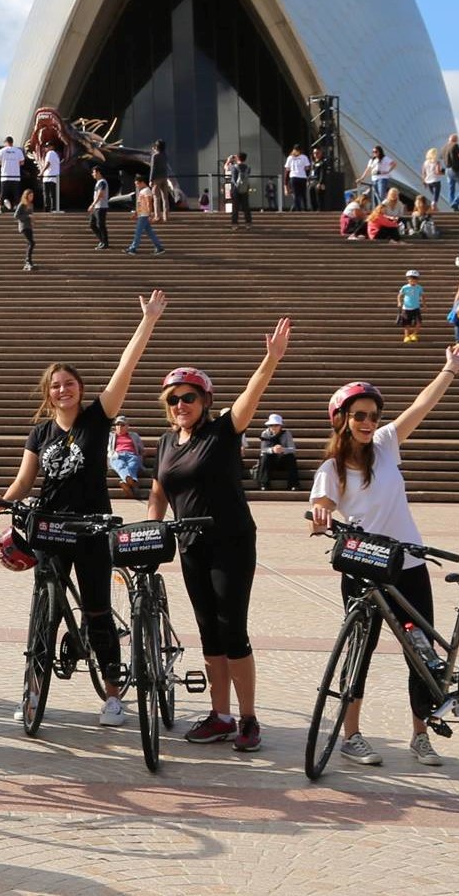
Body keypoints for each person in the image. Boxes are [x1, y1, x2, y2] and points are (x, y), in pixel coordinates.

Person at [0, 289, 167, 727]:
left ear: (80, 388)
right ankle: (32, 692)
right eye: (55, 385)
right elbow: (26, 481)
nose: (63, 390)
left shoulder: (97, 419)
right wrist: (4, 500)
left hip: (91, 528)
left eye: (69, 383)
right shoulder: (40, 432)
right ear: (48, 393)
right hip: (49, 528)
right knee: (43, 614)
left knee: (99, 612)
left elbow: (126, 368)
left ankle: (112, 696)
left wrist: (148, 321)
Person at [310, 346, 459, 768]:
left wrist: (448, 371)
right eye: (359, 415)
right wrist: (321, 514)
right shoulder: (331, 467)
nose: (367, 423)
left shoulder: (385, 445)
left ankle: (421, 737)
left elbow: (420, 406)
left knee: (419, 653)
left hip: (410, 565)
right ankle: (352, 736)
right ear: (342, 419)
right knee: (358, 652)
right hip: (364, 568)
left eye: (372, 416)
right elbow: (322, 505)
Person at [146, 318, 291, 755]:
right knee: (208, 632)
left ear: (205, 400)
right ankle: (220, 715)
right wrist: (153, 525)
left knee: (233, 631)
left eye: (188, 397)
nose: (180, 405)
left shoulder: (223, 431)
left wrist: (270, 359)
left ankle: (248, 719)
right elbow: (158, 491)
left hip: (230, 543)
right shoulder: (168, 442)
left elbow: (253, 395)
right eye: (173, 399)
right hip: (190, 545)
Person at [255, 414, 299, 490]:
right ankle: (264, 484)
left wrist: (283, 449)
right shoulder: (265, 434)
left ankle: (293, 484)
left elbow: (292, 449)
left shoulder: (286, 434)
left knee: (291, 457)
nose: (274, 427)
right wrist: (272, 450)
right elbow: (263, 449)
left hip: (282, 460)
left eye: (276, 425)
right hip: (270, 461)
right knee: (264, 457)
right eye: (271, 425)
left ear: (280, 426)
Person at [125, 177, 166, 256]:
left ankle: (133, 248)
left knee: (138, 232)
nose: (137, 186)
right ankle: (159, 247)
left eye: (137, 184)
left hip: (144, 215)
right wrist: (136, 213)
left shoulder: (146, 190)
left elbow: (148, 202)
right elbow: (140, 204)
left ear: (142, 182)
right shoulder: (142, 191)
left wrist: (150, 213)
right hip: (142, 214)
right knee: (150, 232)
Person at [107, 416, 144, 500]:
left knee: (133, 463)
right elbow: (107, 448)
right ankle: (133, 482)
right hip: (117, 455)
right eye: (117, 424)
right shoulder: (110, 435)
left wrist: (140, 456)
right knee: (120, 464)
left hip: (132, 455)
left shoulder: (134, 435)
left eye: (122, 425)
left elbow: (141, 449)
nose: (119, 427)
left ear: (127, 426)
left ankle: (126, 482)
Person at [0, 137, 26, 211]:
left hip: (5, 176)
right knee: (16, 194)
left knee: (3, 194)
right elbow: (22, 162)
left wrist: (3, 163)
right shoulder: (18, 151)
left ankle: (1, 208)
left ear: (6, 142)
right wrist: (15, 163)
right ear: (12, 142)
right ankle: (17, 208)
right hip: (15, 176)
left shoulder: (2, 151)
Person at [440, 134, 459, 211]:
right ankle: (455, 203)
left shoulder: (443, 148)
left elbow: (441, 157)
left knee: (451, 189)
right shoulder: (455, 145)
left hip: (447, 170)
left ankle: (452, 206)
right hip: (455, 169)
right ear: (455, 139)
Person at [226, 152, 254, 228]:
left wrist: (228, 160)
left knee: (235, 207)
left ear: (238, 158)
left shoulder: (234, 167)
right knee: (246, 207)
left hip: (235, 189)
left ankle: (235, 224)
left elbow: (226, 167)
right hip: (244, 188)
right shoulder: (248, 167)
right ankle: (248, 223)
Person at [398, 270, 425, 344]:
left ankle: (414, 334)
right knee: (407, 323)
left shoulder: (419, 287)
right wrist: (399, 302)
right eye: (410, 279)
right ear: (408, 279)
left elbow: (422, 296)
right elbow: (399, 296)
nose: (412, 280)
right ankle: (406, 336)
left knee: (419, 322)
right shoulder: (405, 287)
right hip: (406, 308)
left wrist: (424, 304)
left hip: (416, 307)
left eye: (415, 279)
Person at [87, 168, 111, 249]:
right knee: (92, 224)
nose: (92, 174)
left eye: (93, 172)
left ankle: (105, 243)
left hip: (101, 206)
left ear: (98, 172)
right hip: (96, 207)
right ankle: (102, 240)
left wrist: (93, 204)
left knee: (101, 225)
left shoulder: (102, 182)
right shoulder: (98, 182)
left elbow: (100, 194)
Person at [283, 145, 312, 212]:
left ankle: (299, 209)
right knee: (301, 194)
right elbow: (307, 168)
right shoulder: (303, 157)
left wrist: (286, 183)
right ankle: (303, 208)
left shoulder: (290, 158)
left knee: (297, 194)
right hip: (301, 177)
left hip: (295, 177)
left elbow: (287, 170)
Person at [14, 189, 36, 270]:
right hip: (23, 226)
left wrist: (32, 220)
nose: (32, 197)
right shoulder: (22, 204)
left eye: (32, 196)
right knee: (32, 243)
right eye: (30, 196)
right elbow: (16, 215)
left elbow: (31, 214)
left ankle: (28, 262)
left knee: (30, 243)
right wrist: (27, 216)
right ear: (26, 196)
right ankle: (28, 261)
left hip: (29, 226)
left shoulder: (31, 205)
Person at [40, 143, 63, 212]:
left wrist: (41, 172)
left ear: (52, 147)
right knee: (53, 194)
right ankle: (54, 208)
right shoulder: (56, 155)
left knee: (46, 194)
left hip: (48, 177)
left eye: (47, 147)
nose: (46, 148)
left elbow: (48, 163)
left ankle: (47, 208)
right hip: (54, 177)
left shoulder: (50, 153)